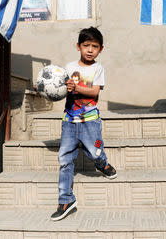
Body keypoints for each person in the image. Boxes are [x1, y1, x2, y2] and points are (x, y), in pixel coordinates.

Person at [50, 26, 117, 221]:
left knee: (94, 152)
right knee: (64, 159)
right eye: (86, 45)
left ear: (100, 49)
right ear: (78, 46)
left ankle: (102, 164)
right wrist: (49, 87)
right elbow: (60, 88)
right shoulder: (69, 68)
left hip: (90, 121)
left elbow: (95, 92)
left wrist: (76, 87)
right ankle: (66, 200)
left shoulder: (97, 68)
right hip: (70, 121)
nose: (89, 50)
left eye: (94, 46)